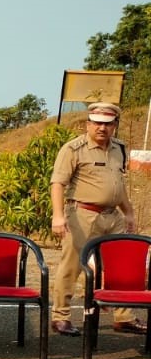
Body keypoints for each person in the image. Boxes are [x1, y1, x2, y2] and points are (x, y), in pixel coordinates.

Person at [48, 102, 144, 336]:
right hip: (82, 214)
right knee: (71, 265)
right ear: (88, 124)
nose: (102, 128)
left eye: (107, 124)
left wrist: (129, 212)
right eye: (97, 123)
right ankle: (61, 316)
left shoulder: (119, 148)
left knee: (123, 266)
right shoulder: (73, 149)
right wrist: (58, 216)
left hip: (113, 215)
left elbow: (118, 186)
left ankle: (124, 317)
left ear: (115, 125)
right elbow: (58, 183)